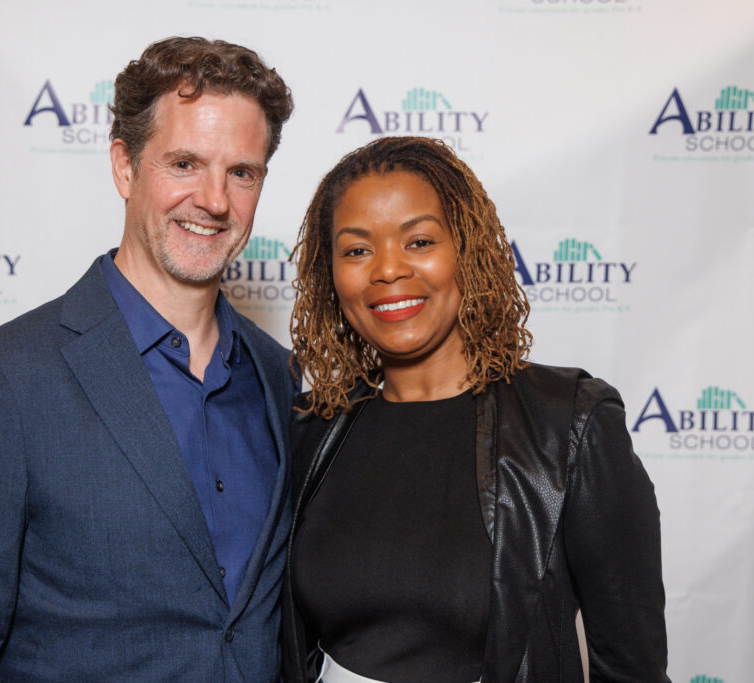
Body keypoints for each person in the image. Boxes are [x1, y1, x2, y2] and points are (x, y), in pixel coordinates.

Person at [0, 37, 297, 681]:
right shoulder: (5, 380)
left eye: (241, 172)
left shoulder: (280, 377)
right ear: (124, 167)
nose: (215, 200)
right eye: (184, 164)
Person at [281, 136, 668, 682]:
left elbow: (632, 668)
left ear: (468, 249)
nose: (387, 270)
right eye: (357, 250)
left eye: (419, 241)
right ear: (331, 274)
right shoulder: (309, 428)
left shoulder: (570, 425)